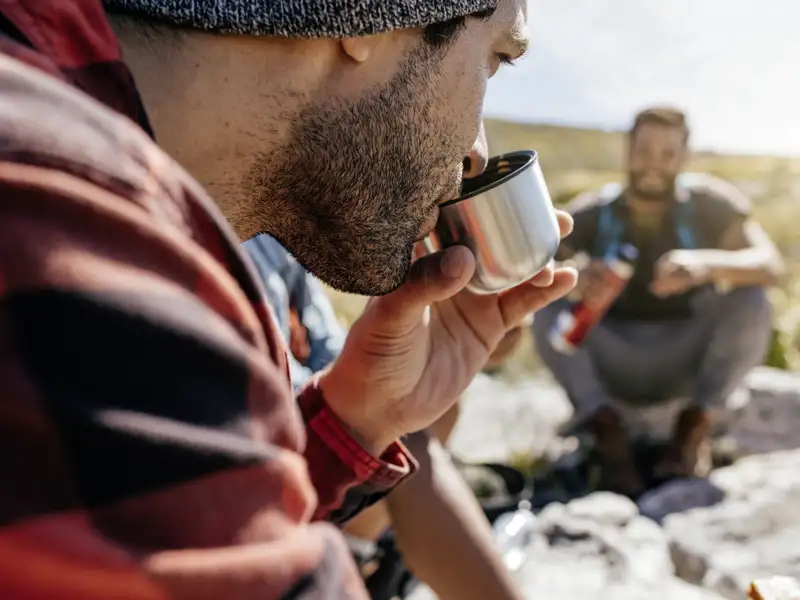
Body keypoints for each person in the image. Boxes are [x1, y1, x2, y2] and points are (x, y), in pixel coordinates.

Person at [0, 2, 577, 600]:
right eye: (496, 58)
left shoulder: (105, 180)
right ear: (370, 20)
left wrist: (358, 421)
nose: (477, 154)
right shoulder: (56, 213)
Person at [244, 146, 527, 600]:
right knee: (404, 430)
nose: (475, 153)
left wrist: (422, 336)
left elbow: (325, 348)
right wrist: (369, 403)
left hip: (305, 462)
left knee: (432, 403)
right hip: (257, 476)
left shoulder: (273, 230)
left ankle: (359, 552)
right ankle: (354, 556)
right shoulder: (227, 236)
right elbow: (268, 402)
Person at [533, 107, 783, 497]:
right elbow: (538, 263)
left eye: (667, 154)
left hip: (685, 355)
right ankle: (606, 434)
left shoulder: (709, 203)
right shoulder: (594, 211)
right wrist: (578, 274)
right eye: (644, 150)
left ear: (684, 157)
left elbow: (768, 264)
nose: (654, 164)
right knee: (545, 299)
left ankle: (693, 427)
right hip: (612, 354)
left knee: (752, 300)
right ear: (628, 150)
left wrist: (706, 265)